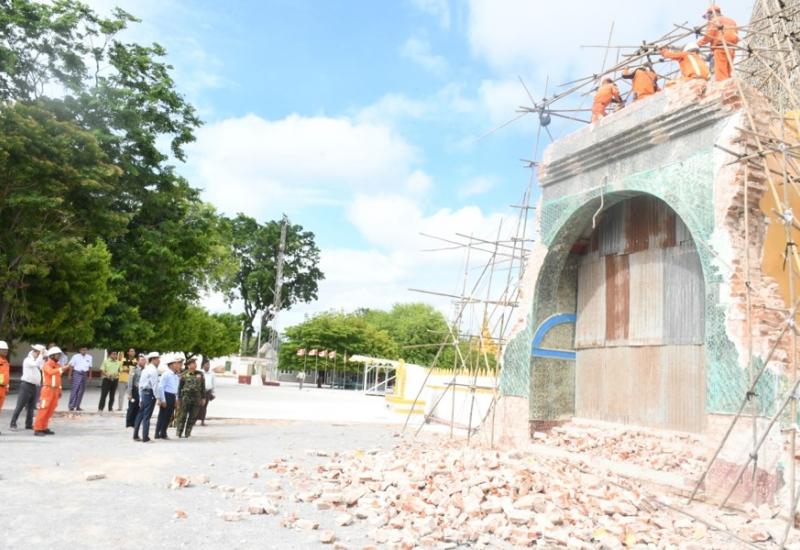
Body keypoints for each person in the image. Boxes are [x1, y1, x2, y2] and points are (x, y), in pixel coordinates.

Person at [696, 5, 739, 81]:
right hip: (731, 48)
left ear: (711, 13)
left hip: (720, 48)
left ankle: (723, 87)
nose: (707, 19)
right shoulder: (731, 21)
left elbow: (709, 36)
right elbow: (737, 36)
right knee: (728, 72)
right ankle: (729, 86)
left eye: (707, 16)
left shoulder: (714, 20)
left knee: (721, 73)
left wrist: (697, 44)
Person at [34, 346, 69, 436]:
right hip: (47, 389)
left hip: (55, 390)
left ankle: (44, 427)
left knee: (50, 410)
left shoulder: (58, 366)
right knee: (43, 409)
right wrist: (62, 369)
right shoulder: (47, 365)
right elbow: (51, 372)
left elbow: (58, 378)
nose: (59, 357)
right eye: (58, 355)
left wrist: (60, 390)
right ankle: (38, 429)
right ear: (52, 355)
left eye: (59, 355)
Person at [10, 344, 45, 431]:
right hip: (26, 385)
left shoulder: (36, 360)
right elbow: (35, 364)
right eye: (37, 353)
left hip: (34, 386)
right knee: (20, 405)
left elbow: (42, 367)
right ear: (34, 352)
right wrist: (41, 355)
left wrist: (43, 356)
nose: (38, 355)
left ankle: (28, 424)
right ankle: (13, 423)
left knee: (31, 406)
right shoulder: (28, 360)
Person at [175, 357, 205, 438]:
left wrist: (203, 398)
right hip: (186, 398)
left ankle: (187, 433)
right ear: (188, 365)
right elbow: (179, 388)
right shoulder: (184, 375)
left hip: (196, 398)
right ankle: (179, 432)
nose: (195, 365)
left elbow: (203, 387)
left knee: (193, 416)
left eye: (195, 363)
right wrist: (178, 398)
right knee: (182, 415)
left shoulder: (200, 374)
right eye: (193, 363)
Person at [133, 352, 160, 442]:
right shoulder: (153, 370)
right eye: (157, 359)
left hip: (144, 393)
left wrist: (141, 398)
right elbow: (155, 385)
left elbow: (140, 385)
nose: (159, 361)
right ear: (153, 359)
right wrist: (158, 397)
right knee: (147, 416)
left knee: (140, 414)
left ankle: (135, 435)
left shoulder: (145, 369)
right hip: (150, 394)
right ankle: (145, 437)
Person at [154, 353, 182, 440]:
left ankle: (163, 432)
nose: (179, 365)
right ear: (172, 365)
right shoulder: (166, 374)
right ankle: (157, 433)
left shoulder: (176, 376)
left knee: (169, 415)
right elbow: (161, 387)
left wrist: (176, 399)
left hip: (172, 396)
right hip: (166, 395)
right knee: (162, 415)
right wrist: (162, 400)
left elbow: (176, 389)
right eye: (178, 363)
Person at [67, 346, 92, 411]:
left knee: (81, 391)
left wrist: (90, 376)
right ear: (80, 350)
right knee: (75, 389)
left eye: (85, 350)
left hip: (84, 373)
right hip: (77, 373)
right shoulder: (75, 356)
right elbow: (71, 366)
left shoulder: (89, 357)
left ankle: (78, 406)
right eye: (82, 350)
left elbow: (90, 367)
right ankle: (71, 406)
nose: (84, 351)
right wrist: (69, 375)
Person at [125, 354, 145, 428]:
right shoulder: (134, 369)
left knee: (138, 407)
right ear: (138, 361)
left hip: (141, 391)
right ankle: (129, 423)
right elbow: (130, 382)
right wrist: (129, 393)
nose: (144, 362)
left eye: (144, 360)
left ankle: (135, 422)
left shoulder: (145, 370)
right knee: (132, 407)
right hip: (135, 391)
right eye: (142, 360)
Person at [198, 359, 215, 426]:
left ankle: (202, 421)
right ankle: (194, 420)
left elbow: (213, 383)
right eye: (206, 364)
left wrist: (213, 392)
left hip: (208, 391)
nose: (208, 366)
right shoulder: (200, 372)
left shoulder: (212, 373)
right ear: (203, 365)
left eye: (208, 365)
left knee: (204, 406)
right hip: (200, 392)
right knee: (198, 406)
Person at [0, 340, 9, 433]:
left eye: (6, 350)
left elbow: (5, 376)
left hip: (2, 388)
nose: (6, 352)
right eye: (3, 350)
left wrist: (6, 386)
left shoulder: (5, 362)